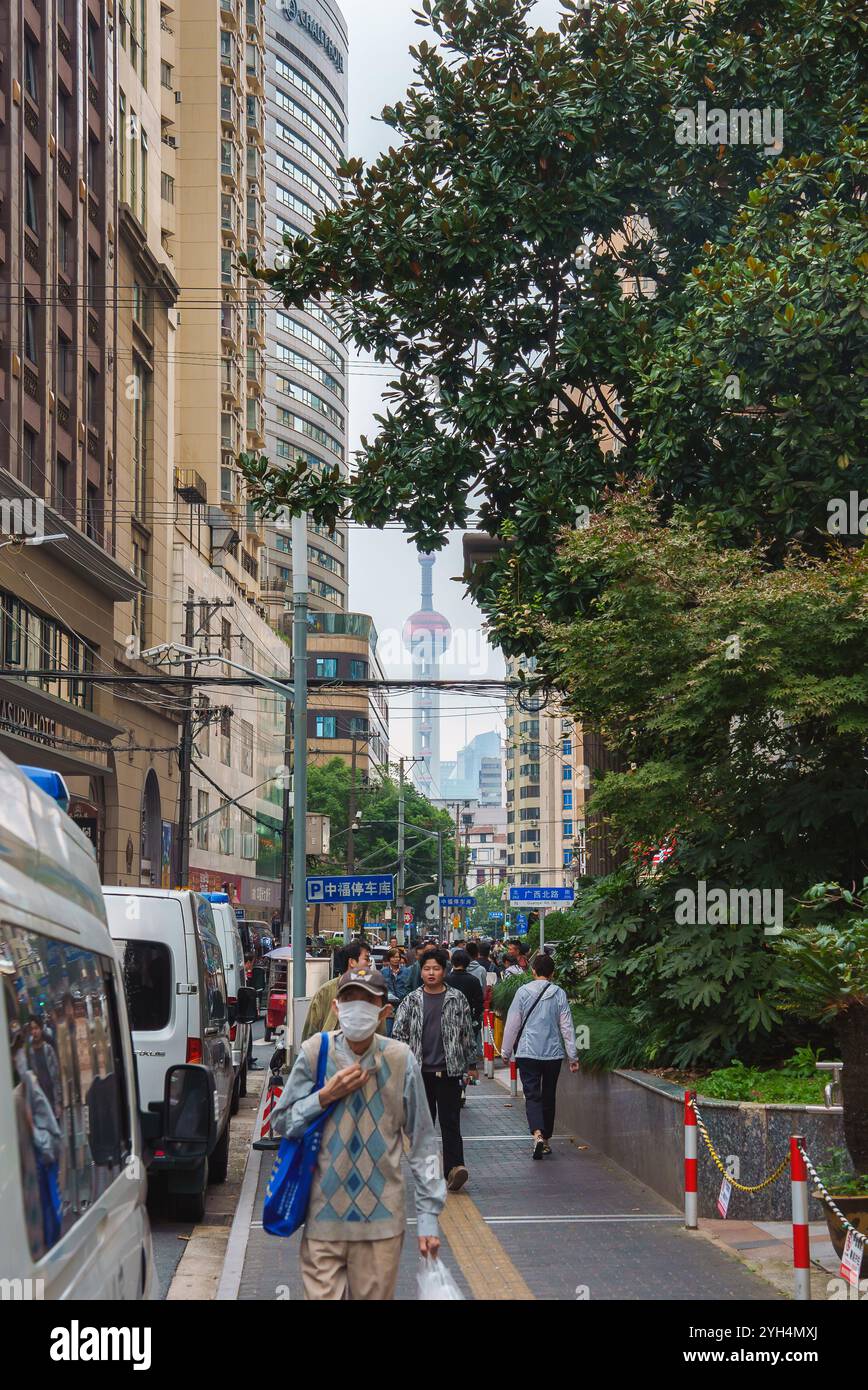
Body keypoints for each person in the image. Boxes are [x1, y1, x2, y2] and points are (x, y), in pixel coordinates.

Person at [270, 966, 445, 1300]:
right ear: (336, 1007)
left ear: (384, 1011)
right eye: (349, 999)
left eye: (367, 1001)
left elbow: (423, 1143)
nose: (357, 1008)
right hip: (323, 1221)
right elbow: (281, 1122)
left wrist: (428, 1218)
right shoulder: (314, 1053)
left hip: (381, 1226)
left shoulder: (400, 1059)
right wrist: (324, 1096)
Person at [393, 948, 477, 1192]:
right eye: (427, 969)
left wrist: (471, 1065)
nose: (431, 973)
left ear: (444, 970)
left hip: (449, 1072)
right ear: (421, 972)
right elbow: (398, 1034)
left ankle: (455, 1168)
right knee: (424, 1128)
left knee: (451, 1123)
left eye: (436, 968)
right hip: (420, 1074)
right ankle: (427, 1173)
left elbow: (466, 1033)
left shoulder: (456, 998)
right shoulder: (411, 1000)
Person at [500, 953, 579, 1159]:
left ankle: (537, 1135)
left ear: (533, 971)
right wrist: (573, 1056)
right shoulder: (559, 993)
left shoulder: (522, 992)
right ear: (553, 973)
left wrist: (506, 1051)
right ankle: (546, 1139)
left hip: (527, 1052)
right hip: (552, 1054)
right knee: (548, 1095)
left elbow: (512, 1024)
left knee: (532, 1095)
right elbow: (567, 1027)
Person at [301, 939, 388, 1040]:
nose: (369, 964)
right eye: (366, 959)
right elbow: (310, 1033)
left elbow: (381, 1036)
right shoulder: (325, 992)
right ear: (352, 962)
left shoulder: (374, 993)